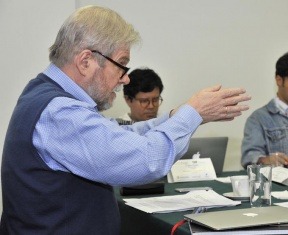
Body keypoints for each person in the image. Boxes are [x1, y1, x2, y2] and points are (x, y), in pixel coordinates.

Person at [0, 5, 251, 234]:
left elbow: (117, 138)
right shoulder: (60, 112)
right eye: (121, 64)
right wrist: (192, 114)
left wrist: (174, 117)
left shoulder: (45, 93)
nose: (125, 79)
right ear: (86, 61)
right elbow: (145, 160)